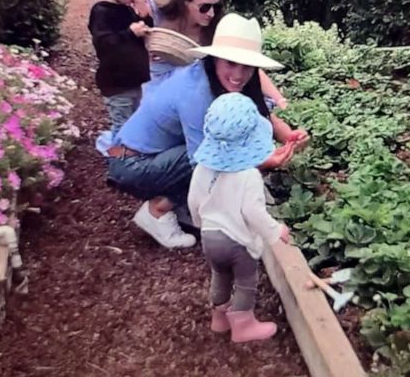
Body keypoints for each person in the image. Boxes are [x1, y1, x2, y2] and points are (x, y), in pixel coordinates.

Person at [108, 13, 309, 249]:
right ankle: (157, 212)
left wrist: (287, 135)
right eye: (231, 63)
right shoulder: (198, 94)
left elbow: (259, 113)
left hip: (152, 153)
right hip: (130, 163)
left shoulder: (232, 79)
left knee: (223, 148)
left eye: (247, 66)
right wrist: (262, 161)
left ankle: (182, 203)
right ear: (215, 59)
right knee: (213, 154)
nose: (238, 74)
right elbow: (207, 162)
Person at [188, 92, 291, 343]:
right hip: (237, 242)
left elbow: (194, 199)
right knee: (246, 281)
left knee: (220, 274)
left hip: (210, 238)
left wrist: (201, 225)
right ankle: (243, 325)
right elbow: (253, 212)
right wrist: (275, 231)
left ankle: (219, 318)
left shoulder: (203, 167)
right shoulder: (248, 176)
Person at [147, 0, 288, 109]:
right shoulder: (155, 19)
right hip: (154, 100)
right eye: (205, 7)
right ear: (185, 2)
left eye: (216, 7)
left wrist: (280, 100)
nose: (211, 13)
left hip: (197, 102)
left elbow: (247, 64)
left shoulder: (215, 31)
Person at [87, 0, 156, 137]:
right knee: (123, 128)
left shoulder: (126, 9)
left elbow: (145, 31)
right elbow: (105, 45)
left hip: (134, 81)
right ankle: (120, 160)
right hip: (117, 85)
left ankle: (132, 157)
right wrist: (130, 33)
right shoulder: (101, 12)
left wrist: (145, 17)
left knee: (135, 123)